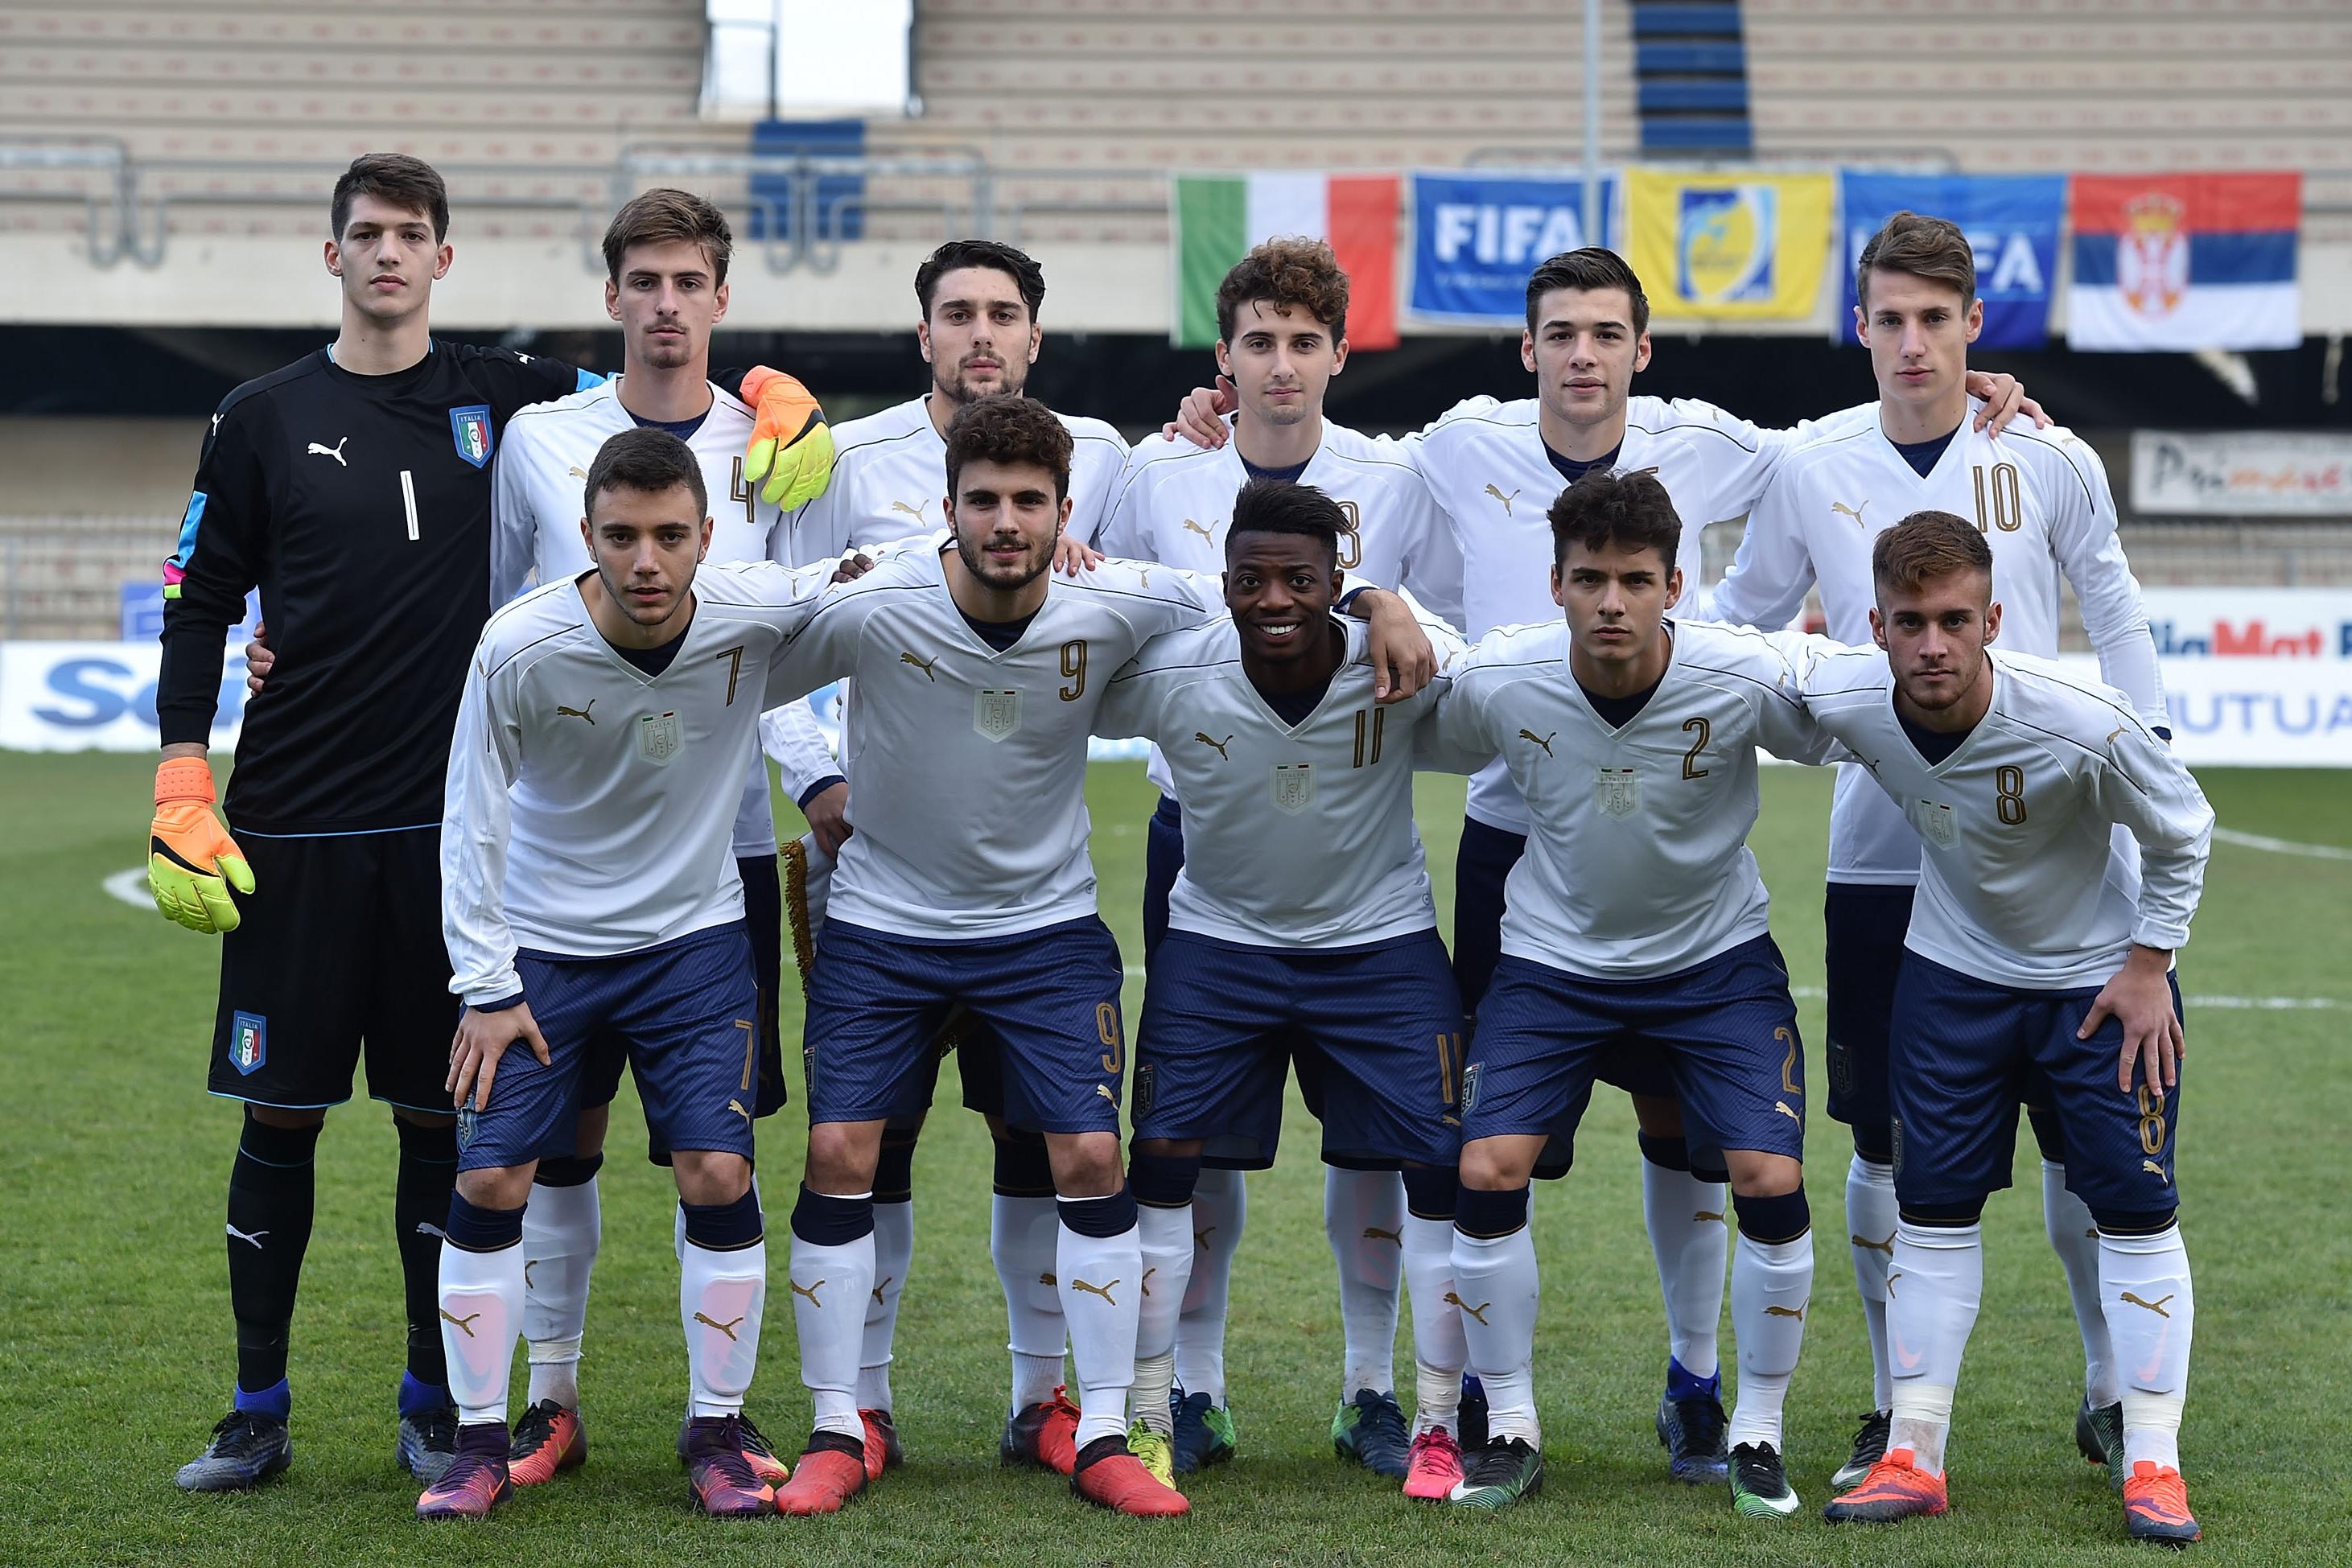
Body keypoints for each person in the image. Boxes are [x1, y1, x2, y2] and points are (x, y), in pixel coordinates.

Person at [1165, 245, 2045, 1482]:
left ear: (1642, 349)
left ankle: (1698, 1383)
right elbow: (1339, 534)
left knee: (1691, 1133)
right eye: (1560, 333)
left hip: (1678, 866)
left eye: (1606, 333)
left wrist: (1963, 391)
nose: (1584, 354)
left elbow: (1829, 447)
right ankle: (1475, 1396)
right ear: (1527, 351)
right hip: (1513, 842)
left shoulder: (1712, 446)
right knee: (1461, 1143)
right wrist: (1341, 558)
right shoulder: (1456, 444)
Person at [154, 154, 833, 1496]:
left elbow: (660, 395)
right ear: (331, 251)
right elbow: (196, 595)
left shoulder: (512, 397)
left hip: (461, 830)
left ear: (444, 258)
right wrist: (184, 771)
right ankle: (255, 1405)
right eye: (366, 234)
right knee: (278, 1120)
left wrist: (773, 388)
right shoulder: (257, 414)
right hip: (292, 819)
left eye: (412, 234)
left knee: (444, 1128)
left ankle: (434, 1404)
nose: (389, 254)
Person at [757, 395, 1435, 1518]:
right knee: (841, 1145)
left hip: (1044, 929)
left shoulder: (1116, 596)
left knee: (1084, 1153)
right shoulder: (875, 595)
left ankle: (1110, 1428)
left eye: (1029, 502)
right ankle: (840, 1421)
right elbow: (744, 640)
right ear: (950, 508)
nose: (1006, 522)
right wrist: (814, 778)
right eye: (985, 501)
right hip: (886, 922)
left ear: (1066, 512)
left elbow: (1262, 589)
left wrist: (1376, 594)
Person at [1708, 211, 2167, 1489]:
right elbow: (1743, 628)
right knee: (1883, 1142)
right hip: (1882, 860)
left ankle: (2111, 1389)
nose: (1913, 344)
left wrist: (2152, 753)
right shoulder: (1810, 463)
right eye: (1891, 319)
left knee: (2091, 1148)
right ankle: (1888, 1402)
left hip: (2056, 857)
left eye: (1936, 319)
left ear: (1975, 327)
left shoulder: (2050, 455)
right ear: (1860, 327)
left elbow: (2117, 615)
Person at [421, 427, 869, 1518]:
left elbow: (853, 576)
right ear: (586, 537)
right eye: (622, 537)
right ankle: (481, 1439)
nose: (648, 561)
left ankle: (714, 1427)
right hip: (543, 949)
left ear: (707, 537)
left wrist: (1053, 556)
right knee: (491, 1180)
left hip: (695, 946)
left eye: (672, 536)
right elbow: (471, 820)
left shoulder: (747, 606)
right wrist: (487, 984)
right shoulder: (518, 645)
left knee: (717, 1175)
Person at [1094, 239, 1464, 1476]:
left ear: (1339, 355)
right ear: (1225, 359)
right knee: (1192, 1139)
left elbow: (1431, 618)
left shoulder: (1396, 478)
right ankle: (1189, 1390)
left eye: (1306, 342)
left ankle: (1374, 1388)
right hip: (1202, 842)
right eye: (1259, 341)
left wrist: (1379, 602)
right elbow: (1095, 586)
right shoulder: (1158, 468)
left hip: (1357, 847)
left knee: (1376, 1147)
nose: (1282, 364)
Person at [761, 239, 1131, 1478]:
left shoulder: (1103, 454)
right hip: (882, 876)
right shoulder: (849, 459)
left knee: (1048, 1145)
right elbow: (774, 622)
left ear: (1036, 336)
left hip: (1032, 887)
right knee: (871, 1145)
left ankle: (1053, 1403)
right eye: (958, 313)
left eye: (1004, 313)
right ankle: (853, 1406)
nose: (981, 332)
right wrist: (817, 775)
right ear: (922, 333)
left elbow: (1159, 601)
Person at [482, 187, 812, 1488]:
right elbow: (499, 612)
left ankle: (713, 1420)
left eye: (691, 281)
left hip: (714, 848)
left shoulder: (780, 443)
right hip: (557, 853)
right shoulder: (538, 442)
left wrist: (818, 776)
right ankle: (547, 1401)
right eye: (645, 281)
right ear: (611, 296)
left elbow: (802, 627)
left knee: (708, 1149)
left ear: (722, 298)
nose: (667, 304)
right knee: (553, 1140)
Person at [1429, 469, 1836, 1519]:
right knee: (1487, 1161)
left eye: (1636, 581)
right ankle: (1510, 1422)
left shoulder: (1741, 675)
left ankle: (1752, 1428)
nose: (1613, 601)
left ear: (1675, 586)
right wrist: (1372, 604)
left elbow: (1858, 708)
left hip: (1714, 965)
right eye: (1593, 579)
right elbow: (1402, 707)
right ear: (1556, 583)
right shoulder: (1503, 677)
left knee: (1764, 1169)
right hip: (1552, 966)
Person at [1800, 511, 2210, 1547]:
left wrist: (2150, 963)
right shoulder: (1852, 695)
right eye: (1909, 623)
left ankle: (2154, 1462)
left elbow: (2185, 828)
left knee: (2134, 1208)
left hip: (2095, 988)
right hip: (1951, 982)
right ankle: (1916, 1454)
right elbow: (1736, 667)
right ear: (1877, 627)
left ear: (1991, 618)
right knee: (1931, 1208)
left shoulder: (2082, 720)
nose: (1931, 645)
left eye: (1952, 621)